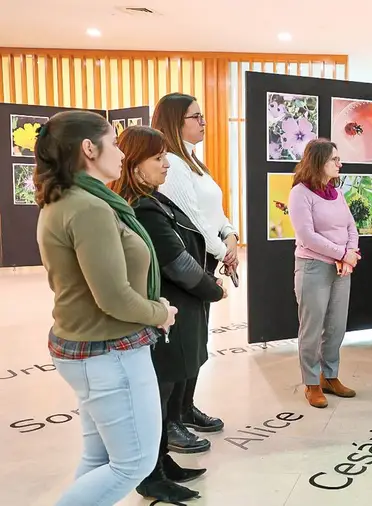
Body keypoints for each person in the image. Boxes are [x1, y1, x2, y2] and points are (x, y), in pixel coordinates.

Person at [33, 110, 178, 505]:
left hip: (90, 349)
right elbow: (113, 298)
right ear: (88, 149)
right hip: (109, 351)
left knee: (100, 458)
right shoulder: (89, 207)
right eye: (113, 142)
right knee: (134, 463)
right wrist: (159, 313)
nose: (120, 151)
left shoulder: (72, 199)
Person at [112, 126, 229, 502]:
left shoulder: (153, 199)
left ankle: (162, 462)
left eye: (165, 156)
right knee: (157, 399)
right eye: (157, 158)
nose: (166, 164)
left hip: (180, 311)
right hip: (168, 314)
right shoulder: (143, 207)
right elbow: (176, 262)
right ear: (134, 164)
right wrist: (213, 288)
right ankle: (151, 474)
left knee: (168, 395)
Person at [152, 92, 235, 446]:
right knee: (181, 345)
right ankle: (171, 421)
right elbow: (194, 222)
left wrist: (231, 235)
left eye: (202, 116)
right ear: (175, 121)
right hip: (186, 265)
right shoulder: (170, 164)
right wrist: (224, 250)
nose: (203, 123)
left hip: (206, 260)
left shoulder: (193, 162)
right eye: (195, 117)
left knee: (197, 340)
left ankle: (185, 409)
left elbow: (214, 211)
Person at [288, 139, 360, 408]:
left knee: (336, 326)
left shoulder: (336, 192)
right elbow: (307, 236)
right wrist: (341, 254)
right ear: (319, 162)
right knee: (312, 328)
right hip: (313, 267)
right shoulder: (300, 193)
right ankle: (311, 382)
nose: (339, 164)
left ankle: (329, 376)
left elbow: (351, 227)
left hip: (341, 268)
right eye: (335, 160)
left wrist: (349, 254)